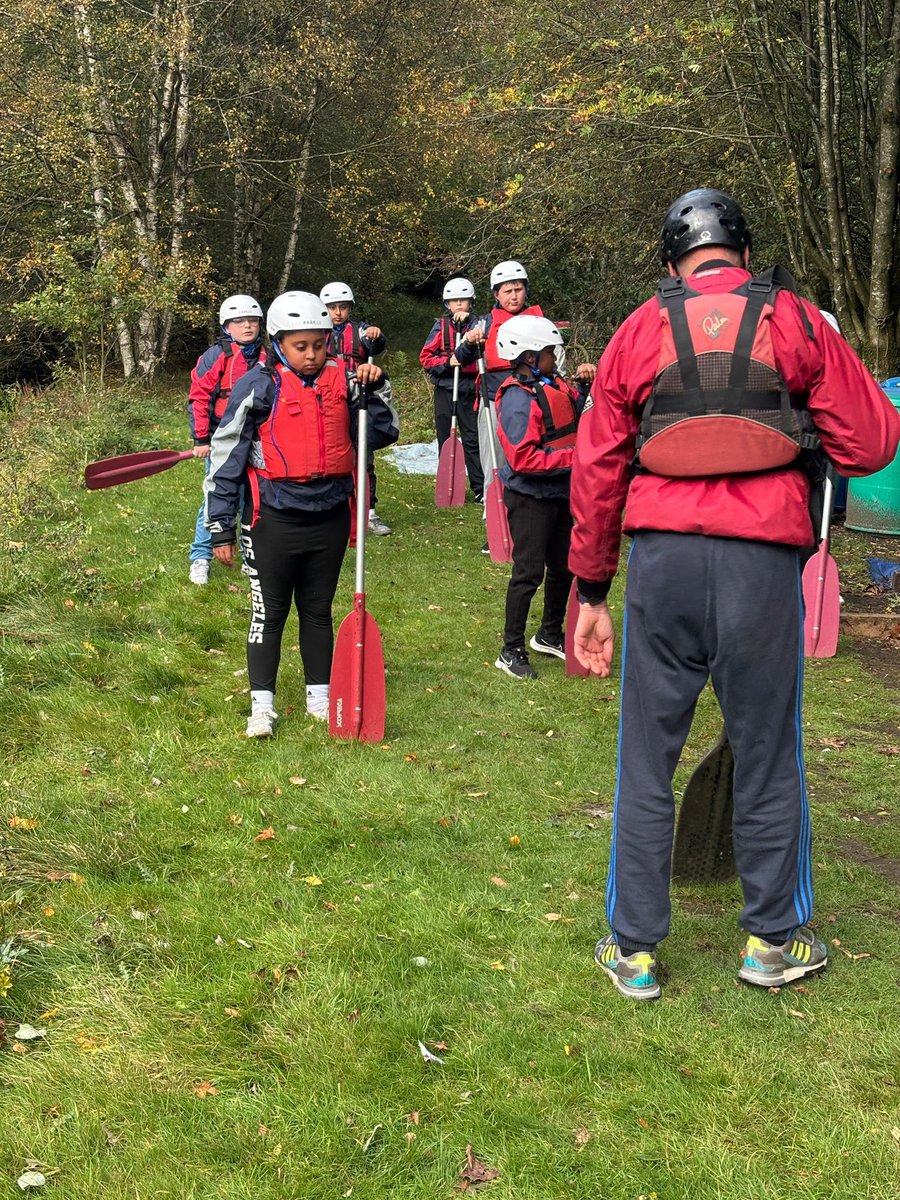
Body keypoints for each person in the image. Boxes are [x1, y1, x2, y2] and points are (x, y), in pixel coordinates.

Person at [569, 188, 900, 1001]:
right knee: (768, 751)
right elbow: (871, 443)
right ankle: (771, 944)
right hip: (761, 564)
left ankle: (635, 951)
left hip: (662, 565)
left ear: (671, 262)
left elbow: (598, 467)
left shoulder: (637, 330)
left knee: (646, 757)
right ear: (745, 254)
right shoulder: (797, 320)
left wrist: (591, 590)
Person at [205, 290, 399, 738]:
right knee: (269, 613)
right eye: (300, 346)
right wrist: (221, 528)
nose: (311, 355)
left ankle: (319, 697)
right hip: (271, 519)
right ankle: (261, 706)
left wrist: (376, 388)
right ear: (278, 343)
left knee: (317, 610)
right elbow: (225, 457)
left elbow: (384, 432)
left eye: (319, 344)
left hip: (328, 515)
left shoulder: (347, 380)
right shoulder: (258, 385)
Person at [491, 315, 594, 678]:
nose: (557, 357)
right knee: (528, 572)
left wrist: (585, 388)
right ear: (530, 357)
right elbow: (523, 458)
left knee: (564, 566)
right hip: (530, 497)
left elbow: (574, 417)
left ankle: (549, 634)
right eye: (551, 352)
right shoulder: (517, 398)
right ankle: (511, 650)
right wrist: (576, 457)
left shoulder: (555, 384)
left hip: (560, 491)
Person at [186, 294, 265, 584]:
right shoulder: (217, 355)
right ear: (226, 326)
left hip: (255, 438)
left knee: (251, 498)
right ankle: (200, 556)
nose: (247, 326)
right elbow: (199, 397)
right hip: (222, 438)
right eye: (239, 321)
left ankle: (249, 555)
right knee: (216, 497)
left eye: (253, 320)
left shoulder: (267, 356)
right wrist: (201, 439)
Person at [454, 260, 548, 489]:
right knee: (494, 458)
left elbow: (555, 360)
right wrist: (469, 342)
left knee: (533, 455)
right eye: (508, 291)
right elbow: (461, 357)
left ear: (526, 290)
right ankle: (492, 498)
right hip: (495, 400)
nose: (514, 296)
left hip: (534, 399)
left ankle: (530, 497)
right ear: (496, 294)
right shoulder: (484, 323)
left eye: (518, 289)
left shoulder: (540, 322)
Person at [320, 282, 391, 536]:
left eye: (343, 307)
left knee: (364, 457)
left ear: (350, 308)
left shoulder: (361, 330)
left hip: (357, 401)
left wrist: (376, 335)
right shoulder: (317, 333)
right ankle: (332, 509)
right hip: (329, 401)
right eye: (332, 307)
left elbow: (377, 346)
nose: (337, 312)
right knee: (329, 456)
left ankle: (369, 512)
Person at [419, 277, 484, 502]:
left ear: (471, 302)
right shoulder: (440, 326)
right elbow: (426, 358)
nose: (459, 304)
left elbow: (486, 358)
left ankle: (480, 488)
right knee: (446, 437)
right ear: (447, 304)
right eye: (454, 301)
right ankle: (448, 485)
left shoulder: (479, 325)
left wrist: (464, 362)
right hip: (446, 389)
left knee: (473, 439)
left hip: (470, 390)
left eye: (463, 300)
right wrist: (448, 363)